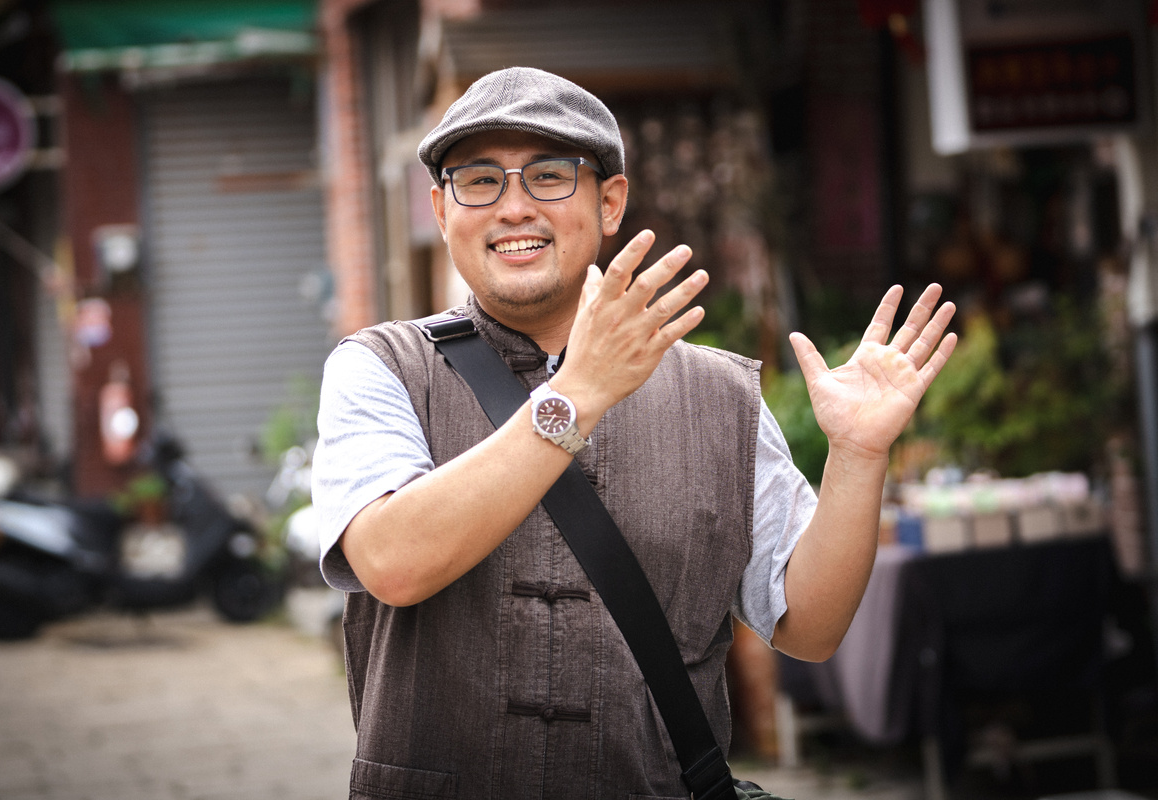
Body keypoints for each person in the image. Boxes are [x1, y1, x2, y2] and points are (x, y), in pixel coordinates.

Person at [312, 66, 956, 800]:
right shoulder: (382, 369)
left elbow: (807, 627)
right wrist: (577, 394)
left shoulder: (721, 396)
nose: (514, 208)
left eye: (550, 175)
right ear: (440, 208)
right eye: (480, 180)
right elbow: (392, 562)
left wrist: (859, 456)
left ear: (610, 201)